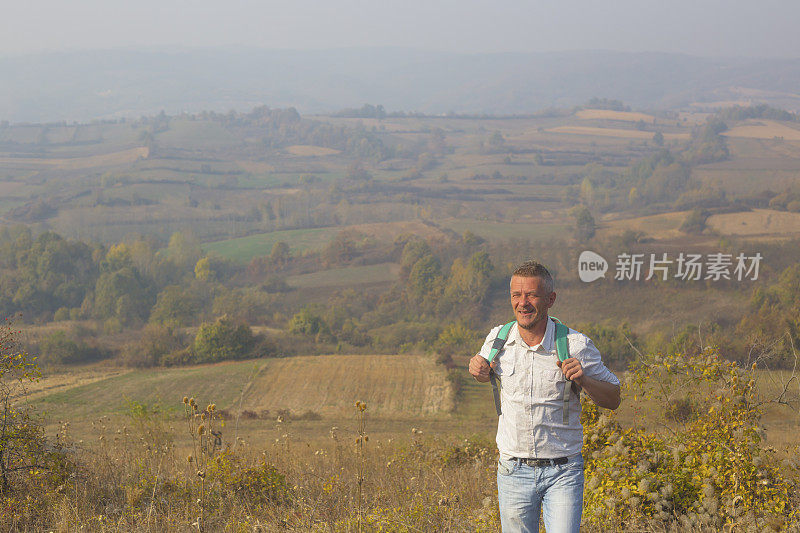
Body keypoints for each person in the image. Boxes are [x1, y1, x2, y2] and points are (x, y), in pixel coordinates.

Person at [468, 260, 620, 533]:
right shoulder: (498, 339)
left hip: (563, 472)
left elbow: (614, 398)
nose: (522, 303)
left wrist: (583, 379)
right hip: (513, 471)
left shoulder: (576, 345)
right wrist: (477, 368)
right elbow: (484, 372)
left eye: (531, 295)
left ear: (550, 299)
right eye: (516, 295)